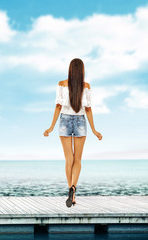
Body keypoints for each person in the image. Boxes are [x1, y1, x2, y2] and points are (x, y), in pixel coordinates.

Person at [43, 58, 102, 208]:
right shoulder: (86, 86)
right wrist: (94, 130)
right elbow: (88, 109)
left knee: (68, 159)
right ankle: (73, 189)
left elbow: (57, 106)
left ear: (70, 69)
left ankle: (71, 191)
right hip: (80, 121)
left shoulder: (62, 84)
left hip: (64, 120)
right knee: (78, 160)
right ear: (81, 70)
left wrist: (50, 127)